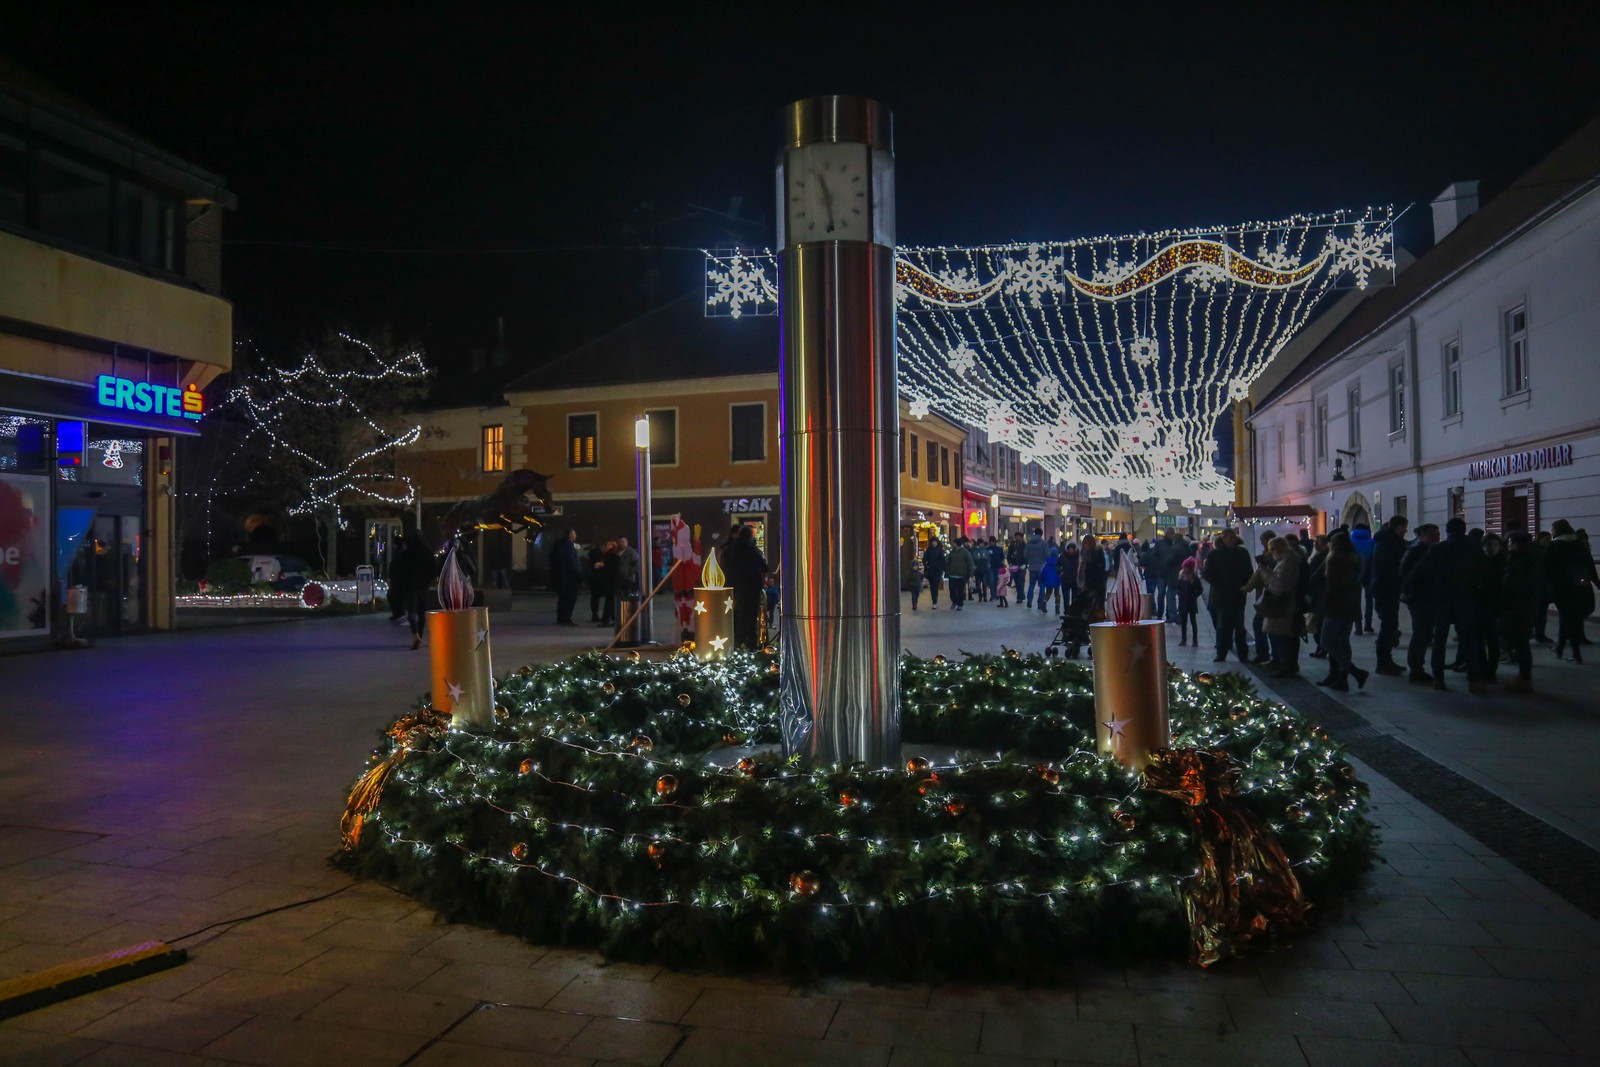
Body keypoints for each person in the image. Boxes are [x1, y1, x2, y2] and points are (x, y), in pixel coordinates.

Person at [1422, 517, 1486, 691]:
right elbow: (1484, 573)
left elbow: (1422, 571)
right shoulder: (1475, 549)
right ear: (1464, 530)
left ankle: (1438, 678)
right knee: (1469, 640)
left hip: (1442, 599)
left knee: (1440, 640)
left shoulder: (1438, 549)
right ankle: (1474, 679)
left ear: (1447, 531)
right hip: (1466, 598)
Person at [1316, 530, 1368, 690]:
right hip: (1351, 604)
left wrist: (1324, 603)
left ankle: (1354, 671)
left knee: (1327, 641)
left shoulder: (1334, 559)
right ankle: (1343, 678)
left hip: (1336, 606)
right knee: (1343, 642)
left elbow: (1332, 585)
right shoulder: (1355, 558)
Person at [1546, 519, 1598, 662]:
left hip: (1561, 589)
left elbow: (1547, 568)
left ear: (1557, 530)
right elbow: (1589, 565)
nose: (1551, 532)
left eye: (1552, 529)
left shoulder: (1555, 546)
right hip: (1580, 588)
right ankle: (1560, 649)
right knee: (1567, 619)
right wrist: (1597, 583)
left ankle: (1575, 654)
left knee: (1568, 620)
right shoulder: (1578, 545)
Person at [1202, 529, 1253, 662]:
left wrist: (1245, 585)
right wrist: (1219, 584)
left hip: (1238, 594)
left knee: (1239, 626)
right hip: (1221, 595)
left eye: (1233, 537)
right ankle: (1221, 652)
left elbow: (1249, 571)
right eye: (1229, 537)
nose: (1231, 540)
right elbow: (1207, 573)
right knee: (1222, 626)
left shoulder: (1242, 552)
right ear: (1223, 539)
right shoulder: (1215, 554)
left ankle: (1242, 653)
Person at [1399, 523, 1440, 684]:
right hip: (1419, 598)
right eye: (1431, 535)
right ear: (1421, 536)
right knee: (1421, 632)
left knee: (1425, 633)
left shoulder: (1434, 551)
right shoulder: (1416, 552)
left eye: (1437, 534)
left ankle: (1418, 667)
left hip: (1429, 597)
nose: (1435, 538)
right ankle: (1416, 668)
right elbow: (1405, 574)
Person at [1369, 516, 1410, 675]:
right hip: (1387, 589)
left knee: (1389, 625)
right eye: (1404, 526)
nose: (1406, 530)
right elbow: (1391, 568)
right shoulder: (1391, 544)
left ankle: (1385, 659)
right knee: (1389, 625)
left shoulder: (1383, 541)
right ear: (1398, 527)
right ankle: (1383, 661)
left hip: (1383, 588)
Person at [1500, 530, 1538, 692]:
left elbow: (1515, 584)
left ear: (1516, 544)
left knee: (1521, 643)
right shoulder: (1531, 558)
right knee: (1522, 643)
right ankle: (1524, 677)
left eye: (1509, 542)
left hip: (1517, 607)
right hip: (1526, 606)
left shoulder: (1518, 561)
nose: (1508, 545)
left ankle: (1524, 678)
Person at [722, 524, 769, 649]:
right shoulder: (752, 550)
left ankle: (737, 643)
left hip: (735, 588)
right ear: (750, 536)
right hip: (751, 588)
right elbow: (765, 567)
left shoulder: (729, 550)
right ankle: (751, 645)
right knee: (751, 617)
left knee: (738, 615)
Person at [390, 528, 435, 650]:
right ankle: (419, 635)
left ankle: (414, 633)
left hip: (410, 586)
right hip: (423, 586)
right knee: (421, 612)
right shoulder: (427, 551)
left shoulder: (408, 552)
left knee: (412, 612)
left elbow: (400, 568)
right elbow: (433, 569)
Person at [552, 528, 583, 627]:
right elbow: (572, 563)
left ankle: (561, 617)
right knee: (570, 598)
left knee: (563, 598)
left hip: (563, 577)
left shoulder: (562, 546)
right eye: (574, 534)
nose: (576, 536)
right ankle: (566, 618)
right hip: (570, 578)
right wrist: (578, 573)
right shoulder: (568, 547)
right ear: (570, 535)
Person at [1349, 522, 1376, 633]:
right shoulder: (1372, 542)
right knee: (1369, 600)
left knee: (1356, 601)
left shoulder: (1350, 542)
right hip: (1369, 574)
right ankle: (1368, 625)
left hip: (1353, 574)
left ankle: (1358, 627)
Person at [1174, 557, 1201, 646]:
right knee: (1184, 622)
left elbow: (1200, 589)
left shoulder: (1194, 578)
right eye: (1184, 567)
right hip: (1183, 602)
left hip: (1191, 602)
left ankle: (1195, 640)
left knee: (1193, 622)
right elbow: (1177, 587)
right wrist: (1179, 593)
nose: (1184, 569)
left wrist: (1194, 596)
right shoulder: (1181, 577)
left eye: (1186, 567)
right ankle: (1183, 639)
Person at [945, 536, 974, 611]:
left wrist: (970, 574)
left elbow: (970, 563)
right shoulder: (952, 552)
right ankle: (954, 601)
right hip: (952, 574)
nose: (952, 544)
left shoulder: (965, 552)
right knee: (952, 590)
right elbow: (947, 561)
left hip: (961, 575)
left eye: (954, 543)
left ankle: (960, 604)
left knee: (960, 591)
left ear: (957, 544)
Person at [586, 539, 611, 623]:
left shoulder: (594, 554)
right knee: (596, 597)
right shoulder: (599, 555)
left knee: (595, 597)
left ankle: (595, 614)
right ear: (602, 546)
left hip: (594, 578)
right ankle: (595, 615)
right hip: (598, 579)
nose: (608, 548)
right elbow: (598, 566)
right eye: (607, 546)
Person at [598, 539, 622, 627]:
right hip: (612, 581)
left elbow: (611, 569)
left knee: (609, 601)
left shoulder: (612, 555)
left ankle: (606, 620)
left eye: (609, 545)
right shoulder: (610, 555)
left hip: (611, 581)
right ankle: (614, 619)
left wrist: (602, 567)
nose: (607, 546)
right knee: (612, 601)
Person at [1023, 528, 1048, 608]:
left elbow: (1025, 555)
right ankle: (1040, 603)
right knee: (1042, 585)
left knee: (1031, 584)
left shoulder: (1029, 543)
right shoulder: (1044, 543)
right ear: (1041, 534)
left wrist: (1029, 562)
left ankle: (1029, 600)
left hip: (1032, 567)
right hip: (1041, 567)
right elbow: (1047, 555)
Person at [922, 538, 947, 609]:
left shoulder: (940, 550)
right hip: (930, 571)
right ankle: (934, 600)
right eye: (933, 542)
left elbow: (943, 560)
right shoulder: (928, 550)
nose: (934, 543)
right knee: (932, 587)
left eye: (935, 542)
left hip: (937, 571)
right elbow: (924, 559)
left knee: (935, 586)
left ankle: (934, 601)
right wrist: (927, 566)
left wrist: (943, 568)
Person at [970, 536, 991, 602]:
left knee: (984, 583)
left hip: (984, 569)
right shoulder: (975, 551)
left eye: (982, 543)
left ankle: (985, 597)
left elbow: (988, 559)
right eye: (980, 543)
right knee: (978, 584)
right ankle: (980, 596)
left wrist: (988, 566)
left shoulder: (986, 551)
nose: (981, 545)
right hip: (978, 569)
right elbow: (973, 560)